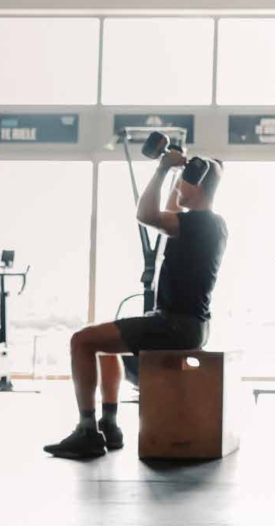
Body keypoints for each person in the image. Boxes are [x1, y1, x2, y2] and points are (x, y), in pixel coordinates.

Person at [44, 149, 228, 459]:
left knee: (81, 341)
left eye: (184, 184)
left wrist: (160, 171)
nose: (179, 188)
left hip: (175, 324)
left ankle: (87, 431)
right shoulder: (211, 223)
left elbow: (146, 216)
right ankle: (109, 426)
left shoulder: (197, 223)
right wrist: (174, 174)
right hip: (190, 324)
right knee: (102, 344)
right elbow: (166, 211)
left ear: (196, 188)